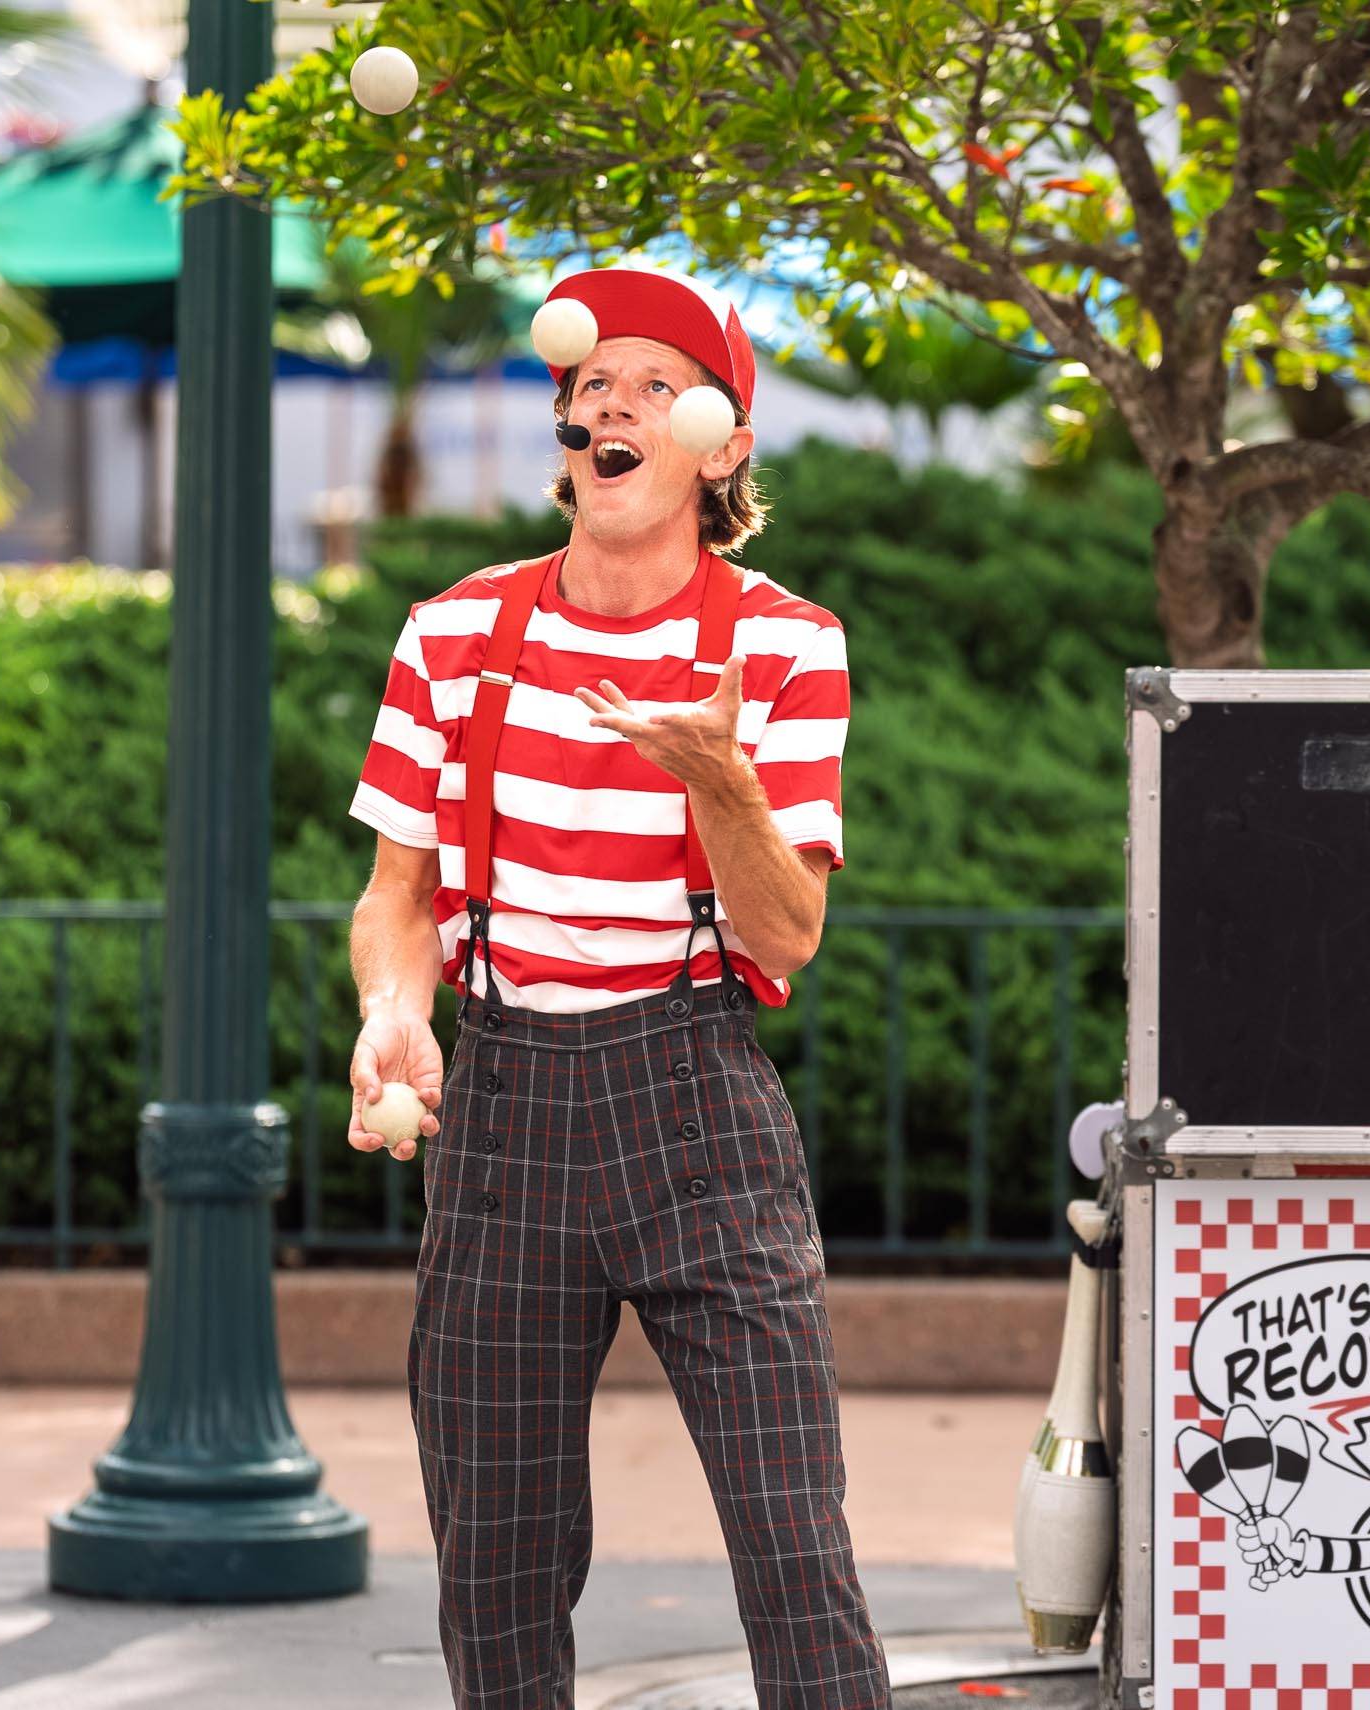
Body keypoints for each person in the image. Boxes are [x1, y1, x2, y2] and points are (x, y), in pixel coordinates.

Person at [342, 263, 888, 1710]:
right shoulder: (454, 634)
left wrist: (719, 778)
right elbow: (399, 898)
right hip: (506, 1107)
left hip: (694, 1098)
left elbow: (786, 933)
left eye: (656, 386)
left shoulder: (785, 642)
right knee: (499, 1570)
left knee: (791, 1540)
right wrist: (392, 1011)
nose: (612, 405)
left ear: (724, 447)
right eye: (594, 386)